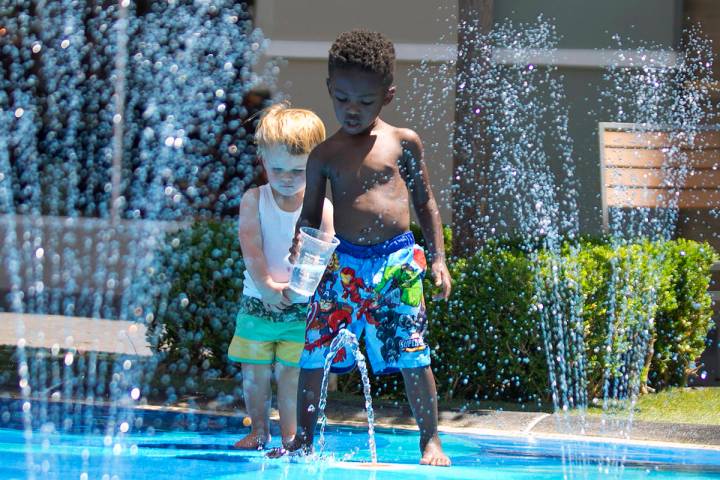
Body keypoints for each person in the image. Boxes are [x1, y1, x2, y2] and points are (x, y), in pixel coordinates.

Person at [270, 30, 452, 466]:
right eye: (344, 99)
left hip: (398, 263)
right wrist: (300, 244)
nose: (353, 110)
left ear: (387, 96)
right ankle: (303, 439)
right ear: (330, 89)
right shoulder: (325, 155)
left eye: (365, 102)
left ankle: (430, 439)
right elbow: (310, 214)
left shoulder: (403, 141)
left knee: (413, 353)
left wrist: (439, 258)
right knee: (313, 350)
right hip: (344, 264)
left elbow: (425, 201)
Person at [228, 103, 334, 450]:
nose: (287, 179)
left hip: (300, 309)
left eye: (298, 171)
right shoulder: (253, 200)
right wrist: (268, 286)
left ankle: (290, 436)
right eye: (277, 169)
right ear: (262, 162)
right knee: (254, 373)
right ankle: (259, 430)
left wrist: (297, 288)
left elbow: (321, 257)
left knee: (291, 376)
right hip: (259, 302)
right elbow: (252, 248)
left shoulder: (322, 208)